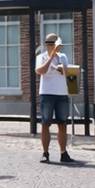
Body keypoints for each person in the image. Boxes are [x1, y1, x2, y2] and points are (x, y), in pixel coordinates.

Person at [35, 33, 72, 163]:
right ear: (48, 45)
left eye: (59, 46)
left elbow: (69, 73)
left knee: (62, 123)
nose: (58, 48)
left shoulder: (63, 57)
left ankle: (63, 153)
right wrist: (51, 57)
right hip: (47, 93)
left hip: (62, 93)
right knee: (46, 123)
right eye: (56, 46)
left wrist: (64, 70)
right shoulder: (41, 57)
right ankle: (45, 152)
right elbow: (41, 71)